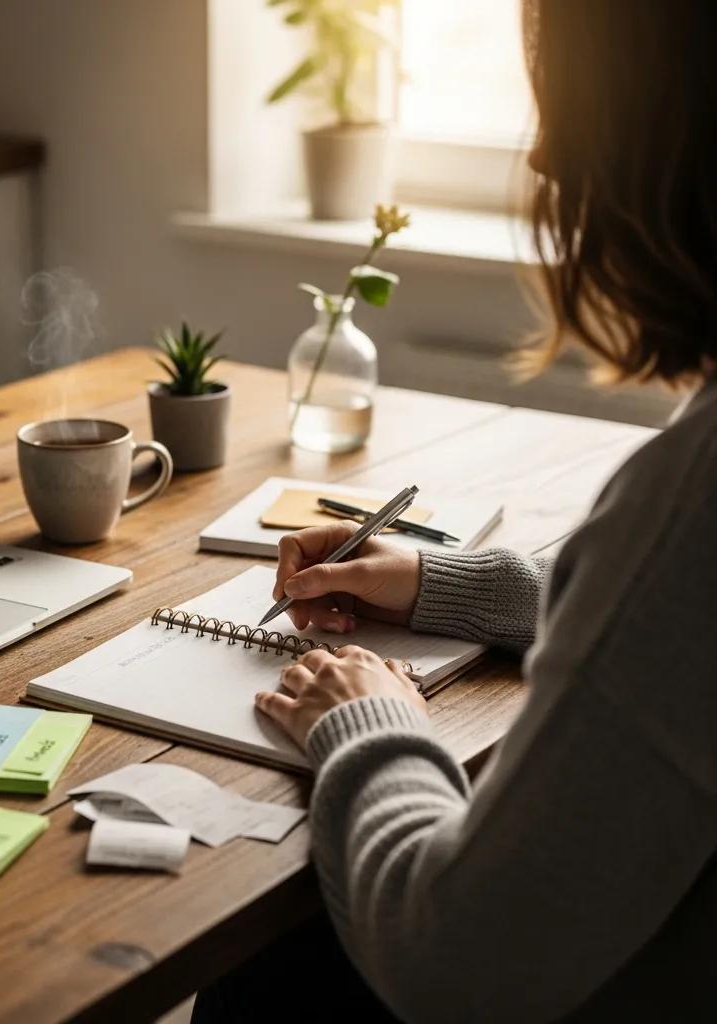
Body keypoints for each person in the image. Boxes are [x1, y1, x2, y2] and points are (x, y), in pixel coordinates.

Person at [193, 1, 717, 1021]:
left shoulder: (692, 498)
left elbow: (459, 964)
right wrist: (446, 583)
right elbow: (672, 639)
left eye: (562, 111)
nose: (547, 157)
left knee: (270, 955)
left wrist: (367, 717)